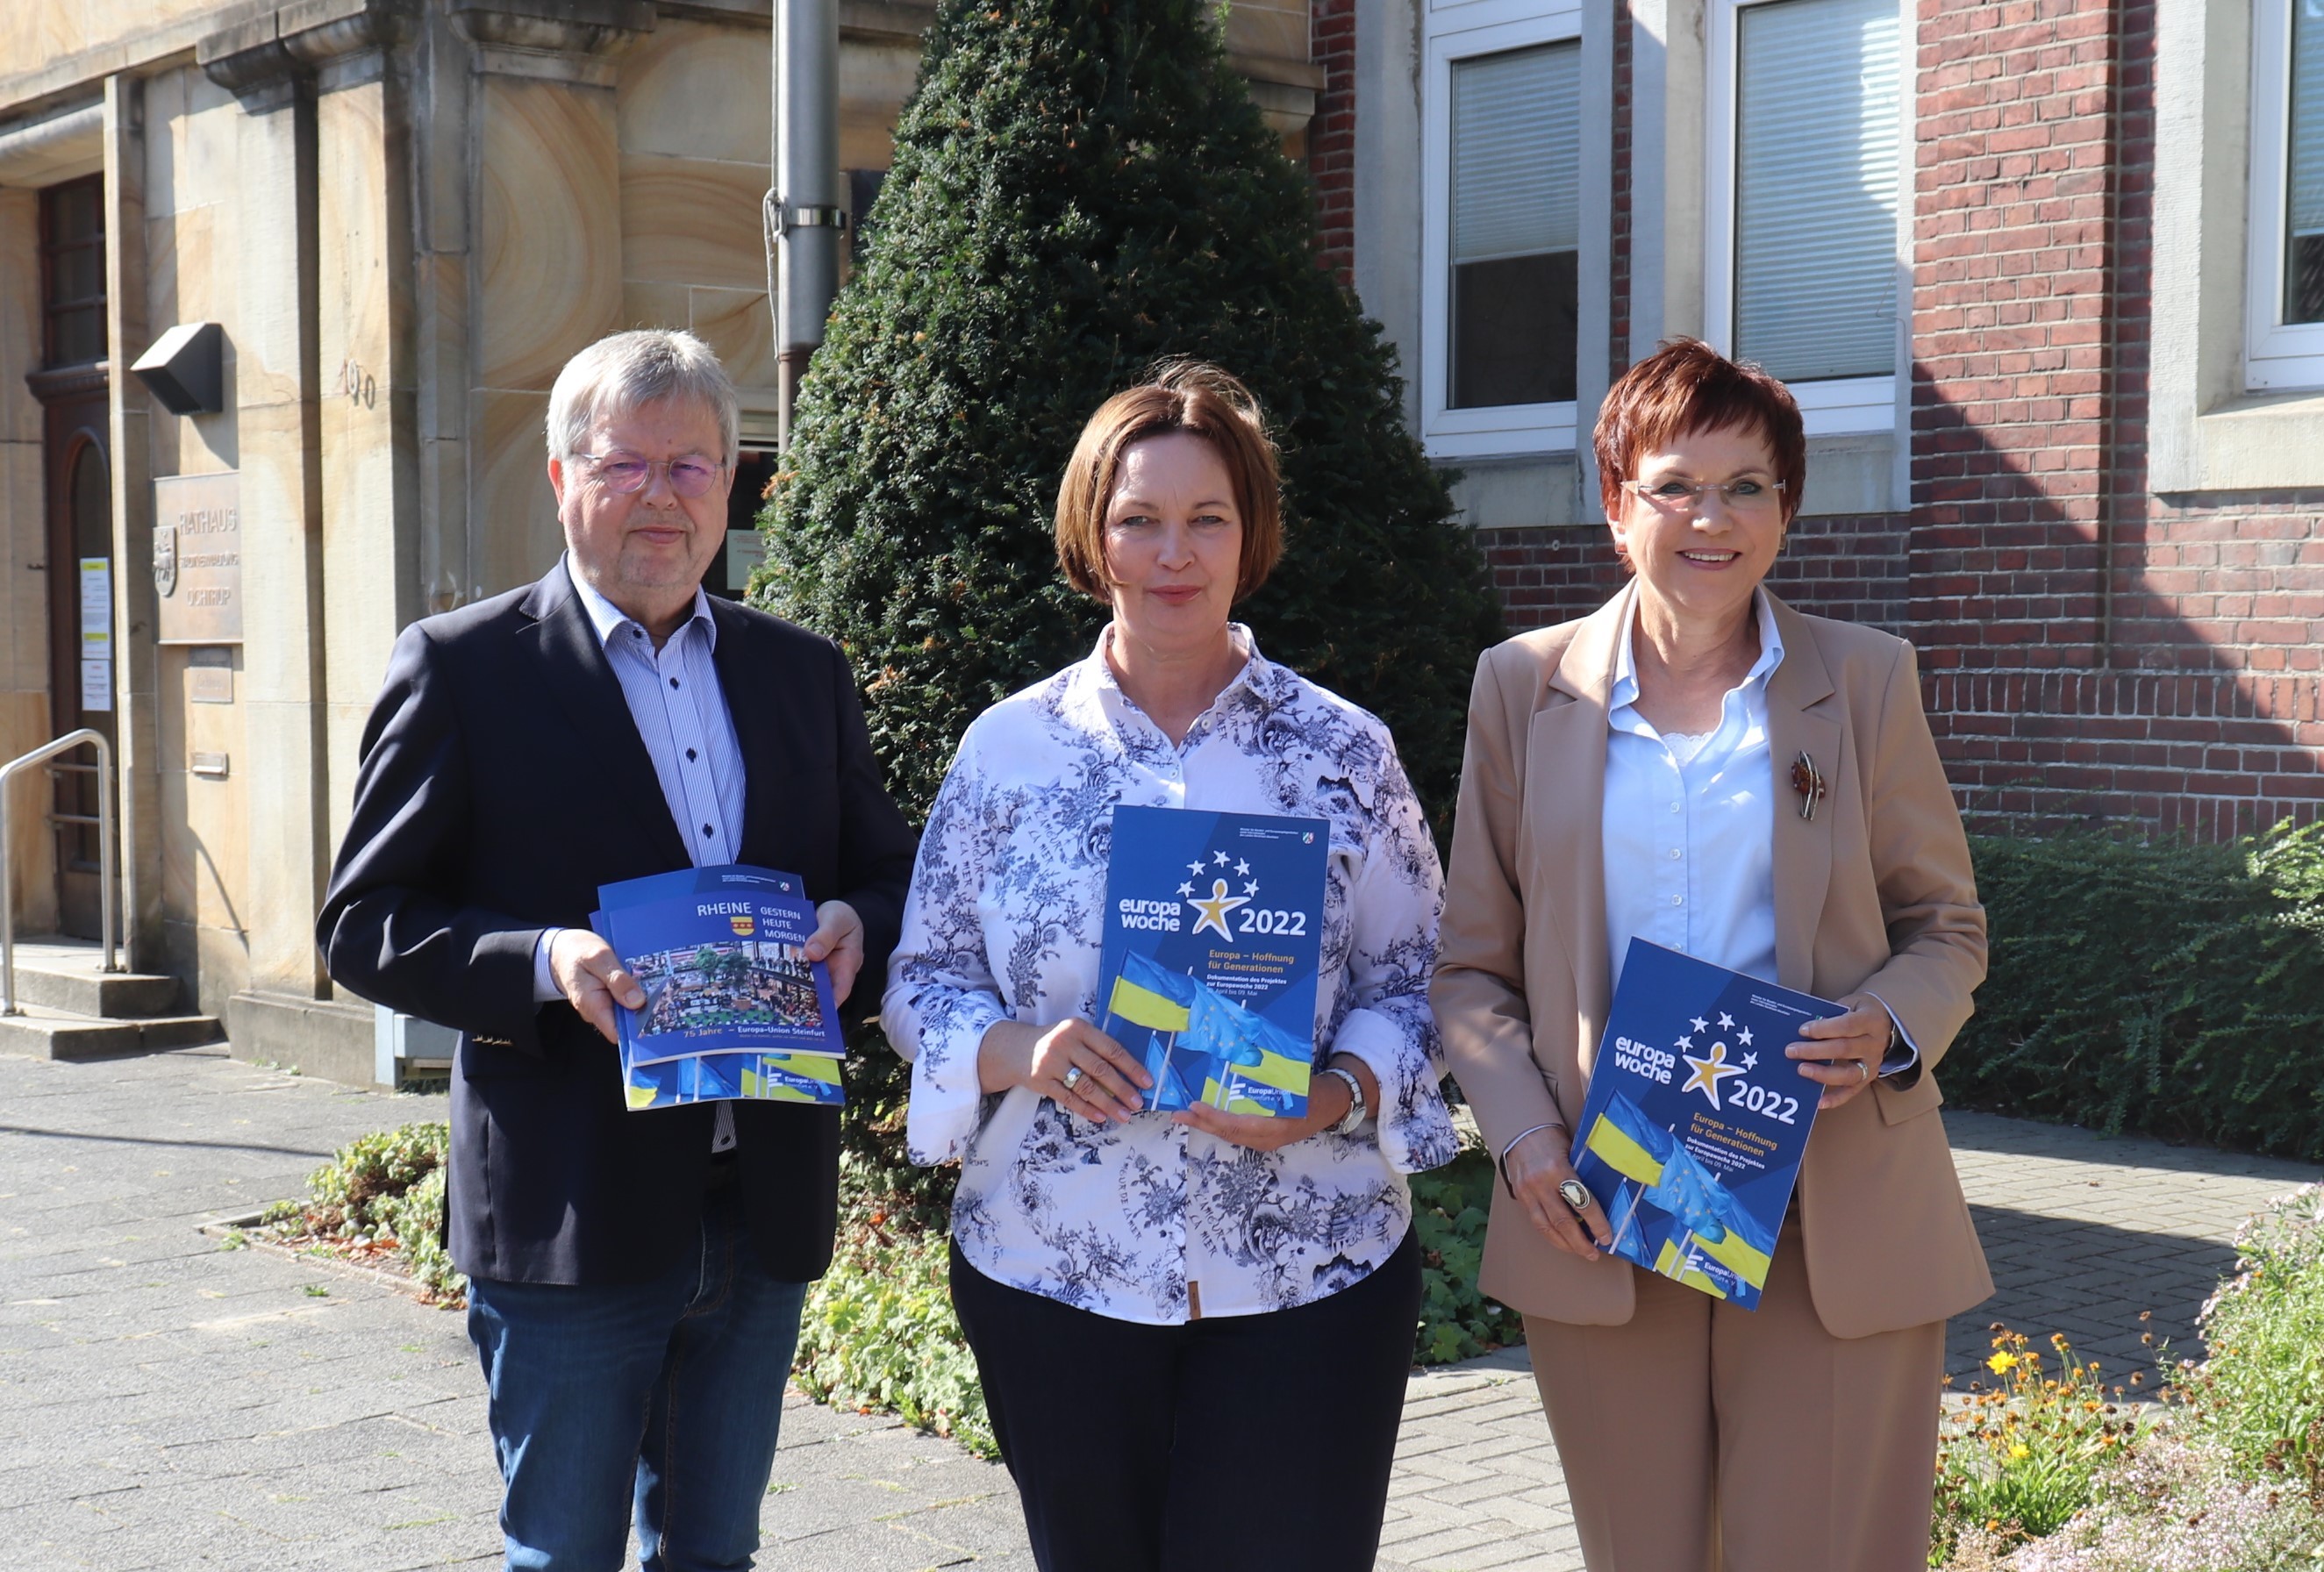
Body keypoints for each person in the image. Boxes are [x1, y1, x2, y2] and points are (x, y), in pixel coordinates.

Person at [317, 329, 916, 1571]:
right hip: (571, 1203)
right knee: (565, 1557)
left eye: (692, 466)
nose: (661, 495)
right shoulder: (464, 670)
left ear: (733, 480)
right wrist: (546, 962)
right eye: (626, 464)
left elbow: (887, 870)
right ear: (559, 477)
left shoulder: (801, 672)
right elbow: (365, 922)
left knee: (714, 1555)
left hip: (762, 1194)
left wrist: (861, 920)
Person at [1432, 339, 1992, 1571]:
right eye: (1676, 483)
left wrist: (1887, 1027)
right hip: (1602, 1201)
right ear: (1614, 501)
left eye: (1748, 487)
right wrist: (1523, 1141)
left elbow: (1943, 928)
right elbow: (1470, 968)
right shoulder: (1519, 690)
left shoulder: (1863, 681)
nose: (1710, 518)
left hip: (1824, 1201)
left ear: (1785, 512)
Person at [883, 362, 1453, 1572]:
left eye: (1207, 519)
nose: (1172, 553)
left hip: (1311, 1269)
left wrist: (1335, 1094)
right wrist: (1015, 1051)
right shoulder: (1010, 750)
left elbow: (1418, 979)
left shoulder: (1345, 751)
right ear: (1091, 538)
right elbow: (921, 973)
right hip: (1054, 1269)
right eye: (1138, 519)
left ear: (1251, 539)